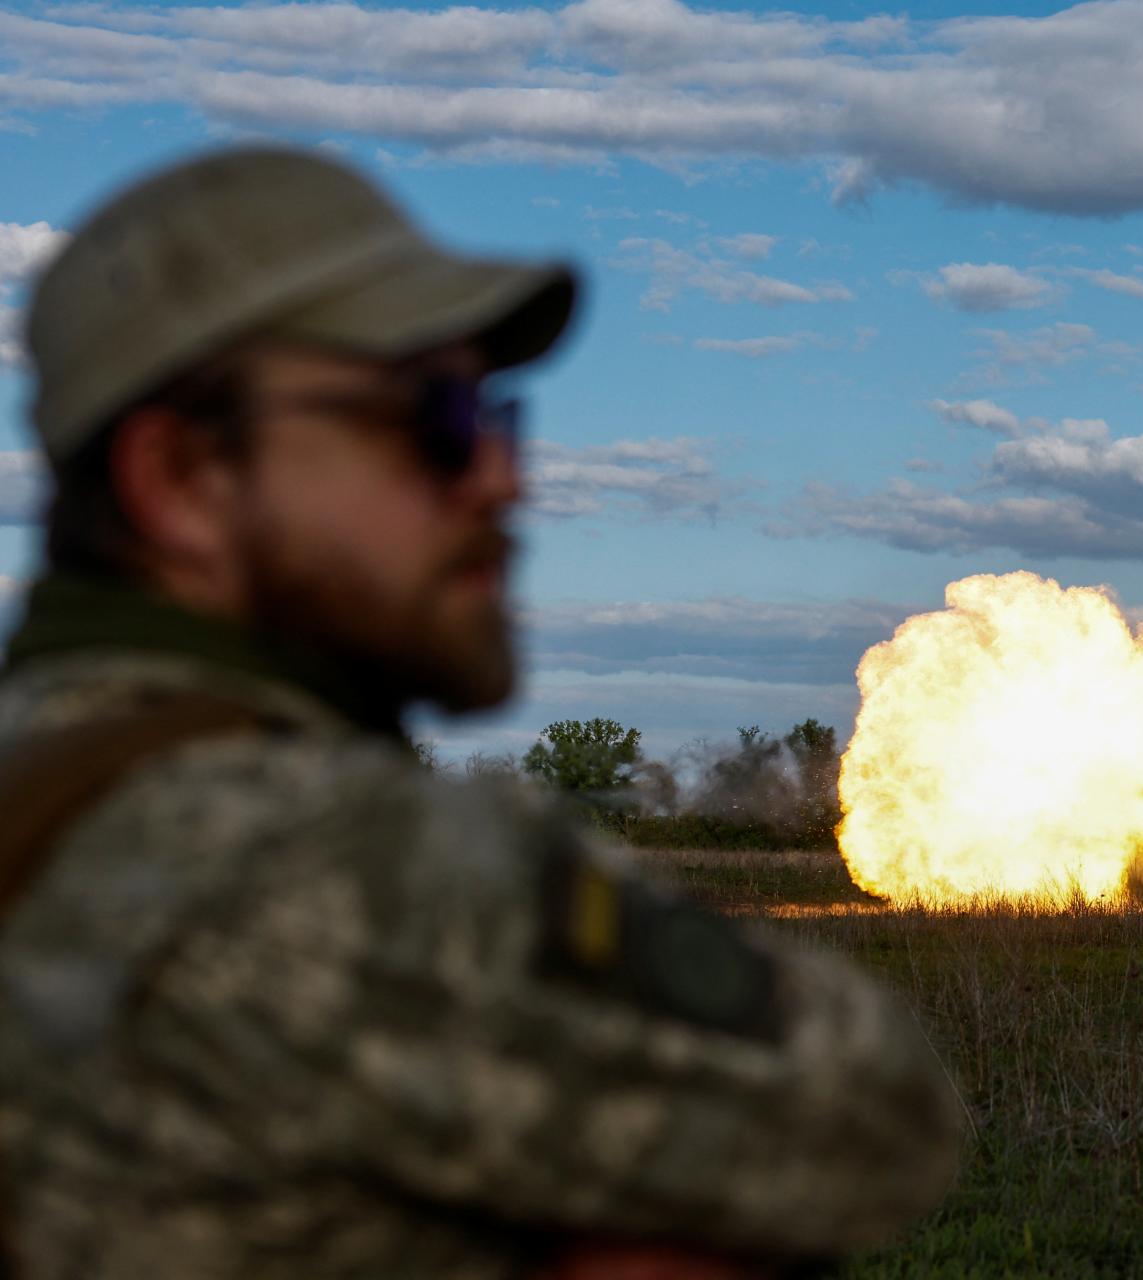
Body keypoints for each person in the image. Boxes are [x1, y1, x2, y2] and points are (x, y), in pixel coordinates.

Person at [0, 147, 961, 1279]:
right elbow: (874, 1111)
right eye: (433, 416)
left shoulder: (46, 785)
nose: (502, 477)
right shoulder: (322, 853)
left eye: (500, 415)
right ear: (181, 476)